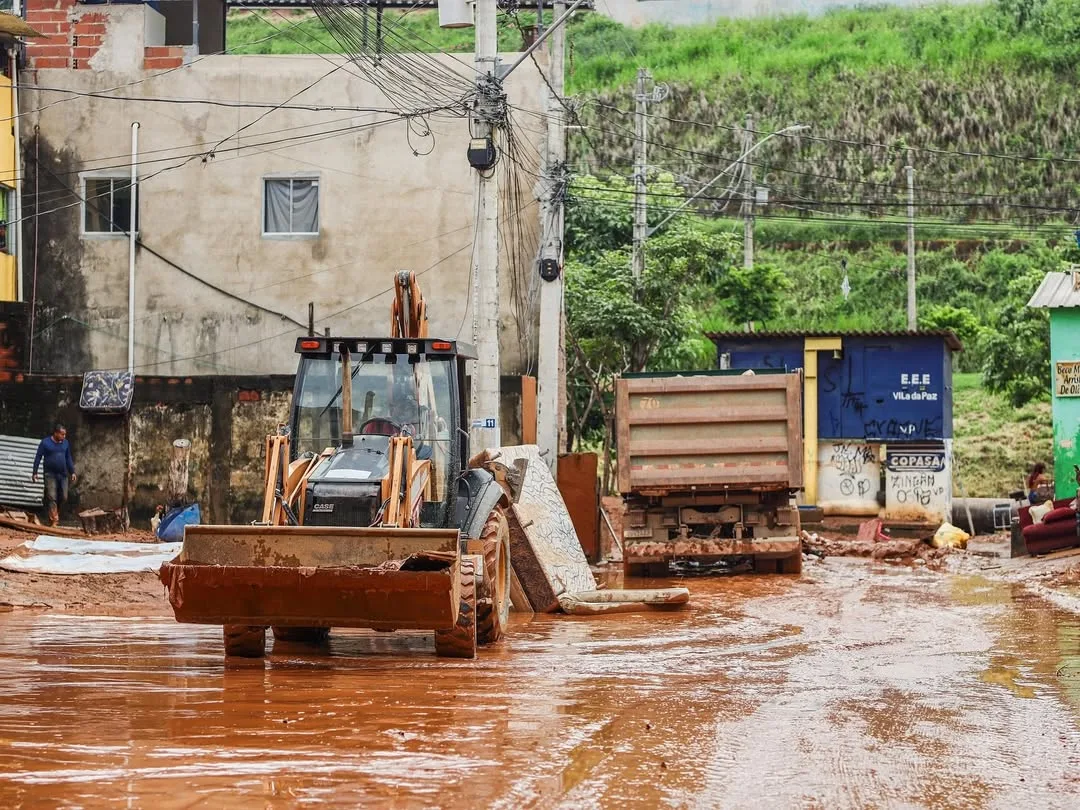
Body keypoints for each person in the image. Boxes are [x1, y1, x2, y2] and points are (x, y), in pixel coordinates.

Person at [32, 423, 77, 527]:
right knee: (52, 496)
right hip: (50, 474)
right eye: (62, 434)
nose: (64, 436)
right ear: (56, 433)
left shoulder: (65, 443)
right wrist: (35, 472)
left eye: (65, 434)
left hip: (63, 474)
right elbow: (38, 457)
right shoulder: (45, 443)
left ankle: (54, 513)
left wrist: (72, 471)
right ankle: (54, 520)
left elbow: (68, 458)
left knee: (64, 497)